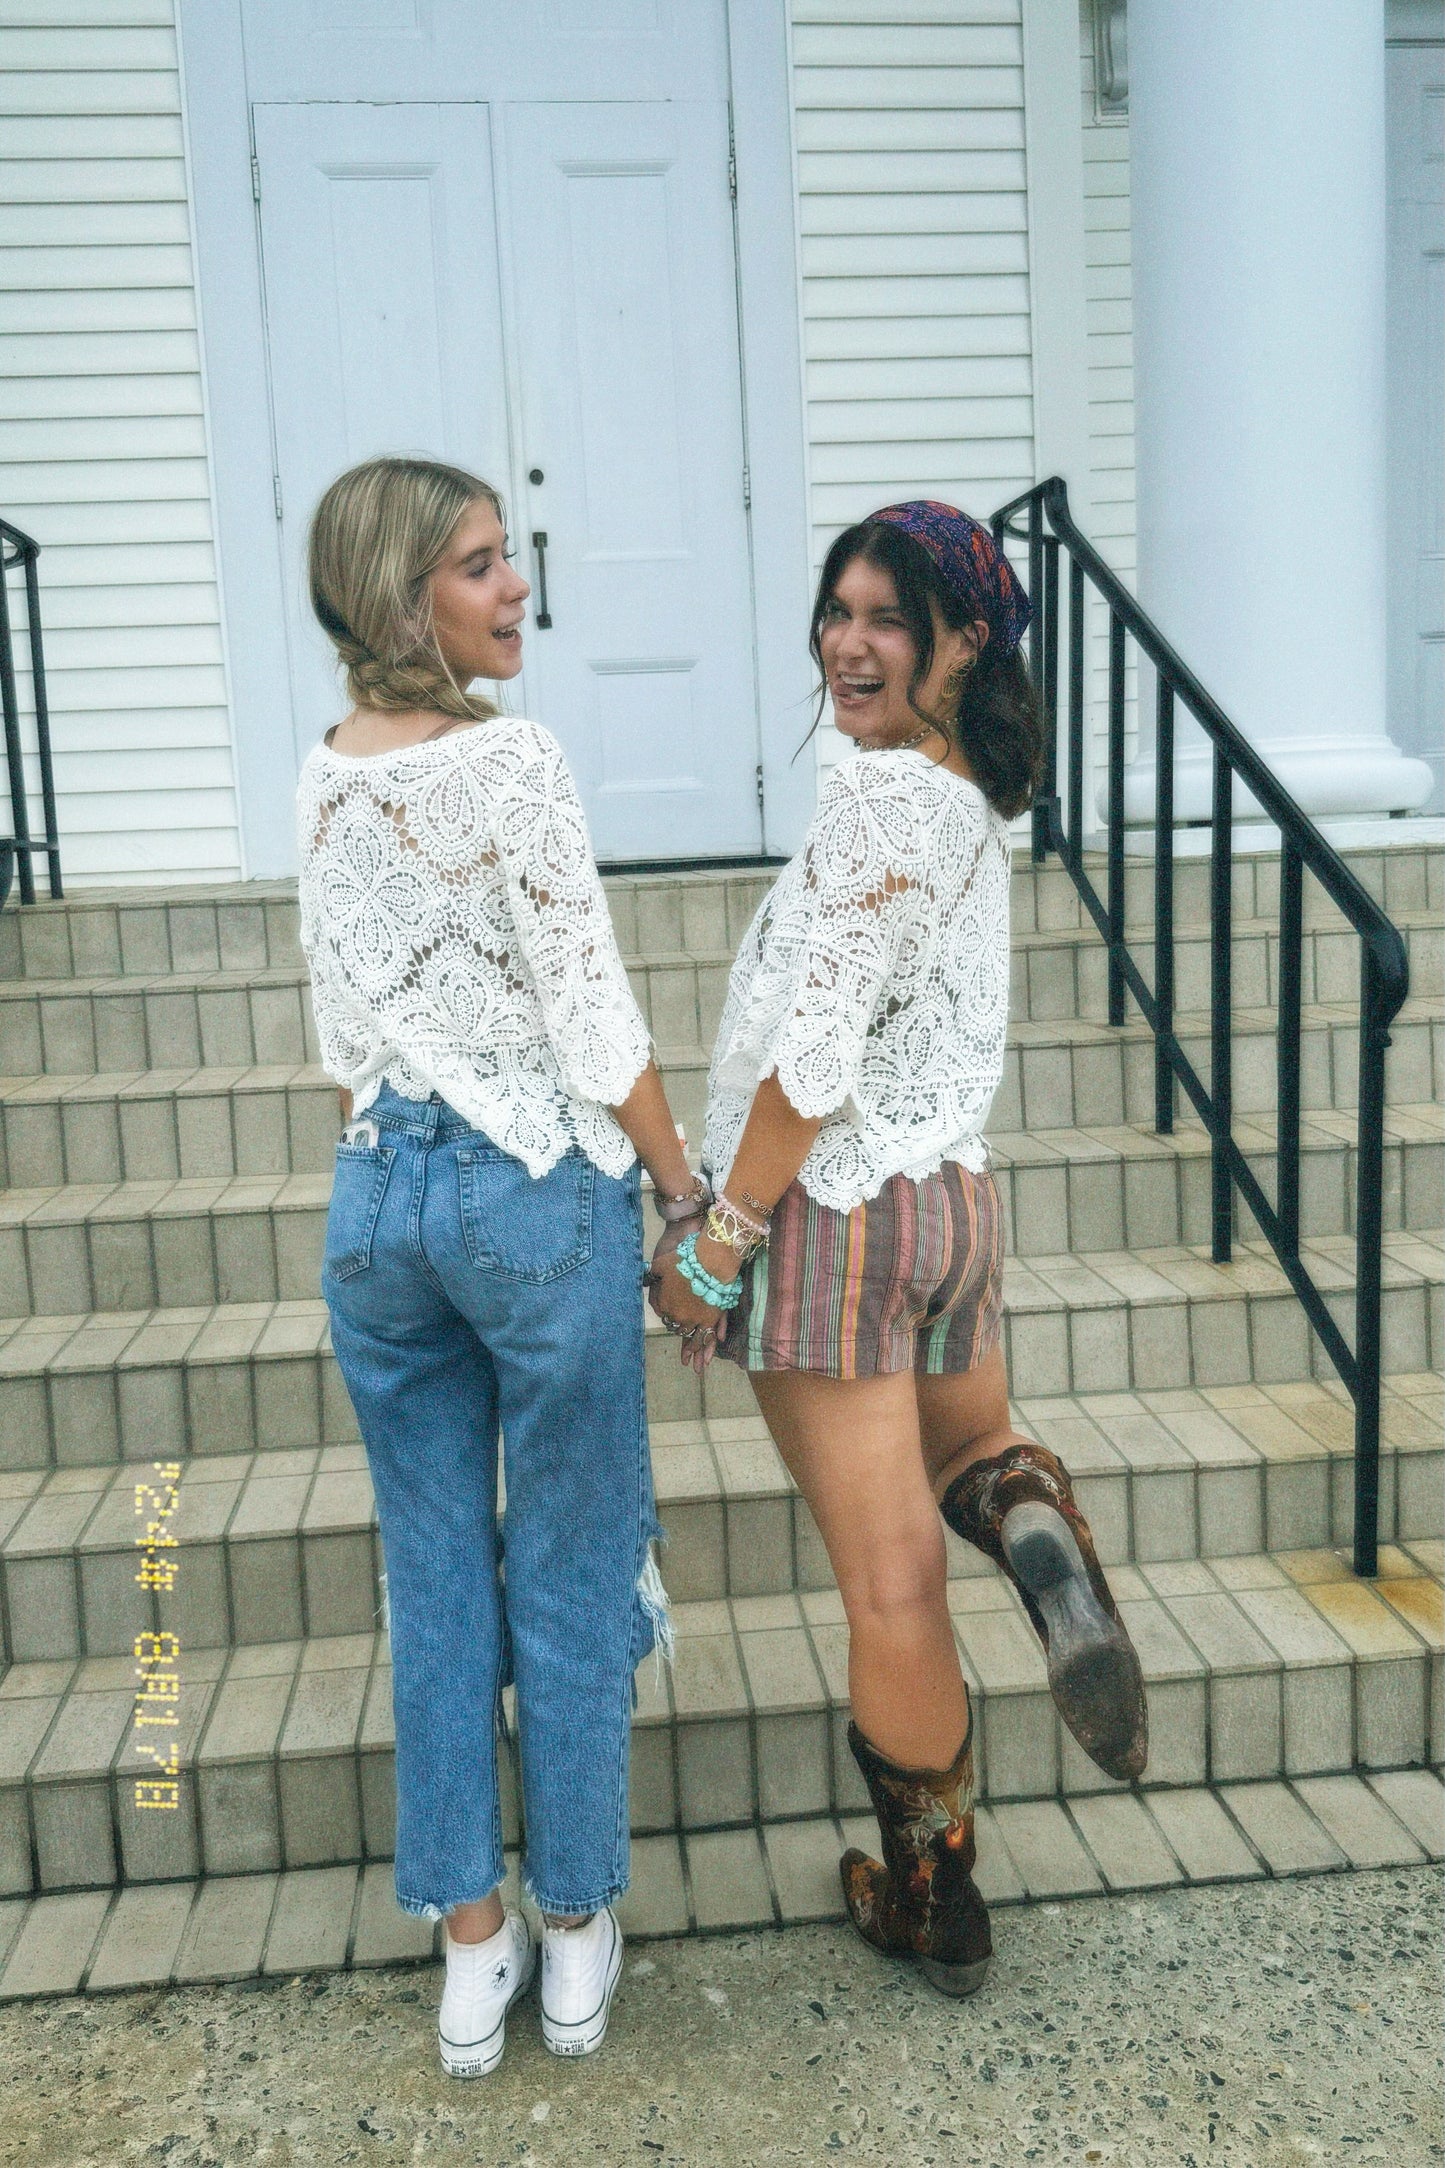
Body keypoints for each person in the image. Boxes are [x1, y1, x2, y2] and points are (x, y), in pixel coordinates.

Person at [650, 501, 1148, 1999]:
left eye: (885, 618)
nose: (845, 643)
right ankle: (1038, 1534)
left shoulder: (877, 803)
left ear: (966, 638)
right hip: (946, 1204)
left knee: (888, 1587)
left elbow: (815, 1050)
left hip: (833, 1220)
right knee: (969, 1444)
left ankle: (931, 1898)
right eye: (836, 611)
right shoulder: (960, 795)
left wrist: (722, 1234)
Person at [298, 457, 705, 2075]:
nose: (514, 585)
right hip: (534, 1200)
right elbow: (589, 1013)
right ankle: (576, 1924)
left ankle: (470, 1950)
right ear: (405, 598)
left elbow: (344, 1015)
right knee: (570, 1564)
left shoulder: (324, 769)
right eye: (476, 566)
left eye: (507, 556)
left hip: (376, 1198)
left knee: (435, 1572)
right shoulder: (511, 762)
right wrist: (682, 1193)